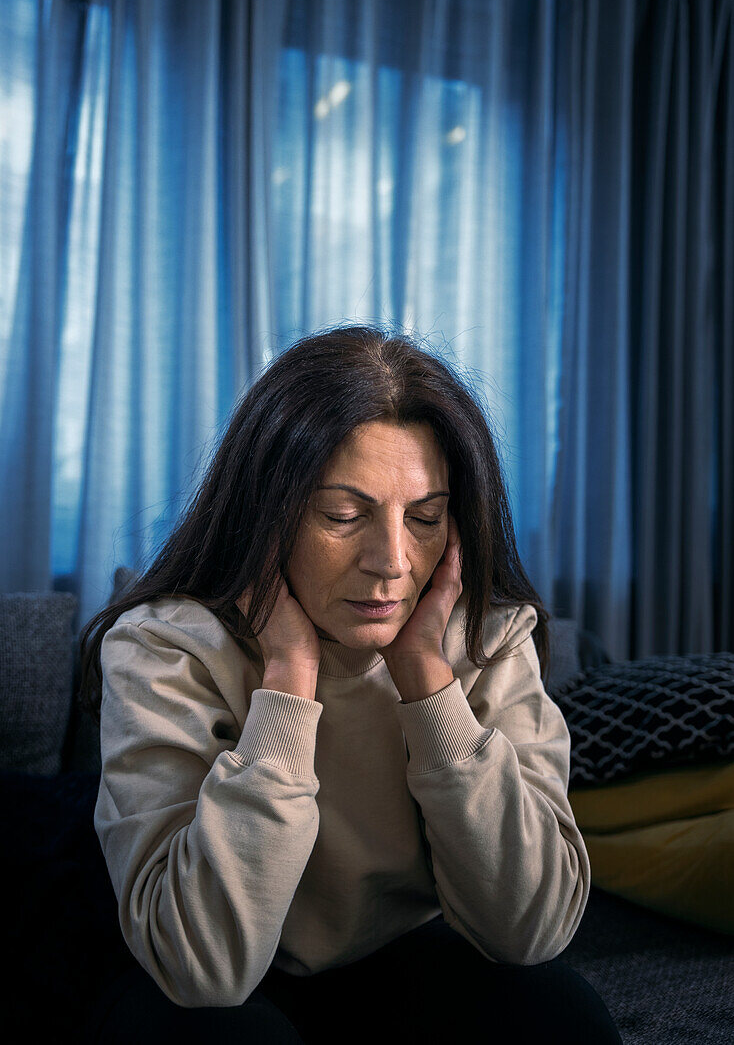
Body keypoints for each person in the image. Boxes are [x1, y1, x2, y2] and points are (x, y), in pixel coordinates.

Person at [78, 324, 623, 1044]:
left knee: (562, 1018)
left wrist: (429, 684)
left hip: (398, 960)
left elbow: (532, 929)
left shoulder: (489, 636)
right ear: (266, 515)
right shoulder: (162, 647)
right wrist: (287, 683)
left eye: (425, 518)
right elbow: (202, 966)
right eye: (343, 516)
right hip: (215, 983)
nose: (392, 561)